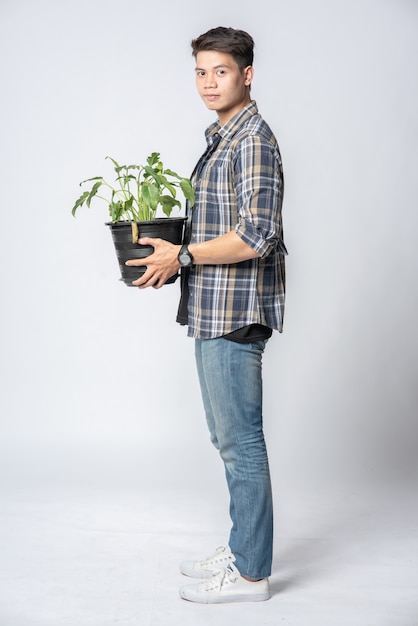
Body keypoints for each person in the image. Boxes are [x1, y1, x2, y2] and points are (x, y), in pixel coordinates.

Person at [126, 26, 286, 604]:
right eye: (200, 71)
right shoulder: (222, 139)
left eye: (220, 71)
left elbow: (257, 234)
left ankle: (250, 575)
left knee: (241, 441)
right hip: (211, 304)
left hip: (237, 307)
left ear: (246, 74)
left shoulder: (252, 143)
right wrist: (170, 252)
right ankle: (245, 545)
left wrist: (184, 253)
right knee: (227, 437)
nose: (208, 82)